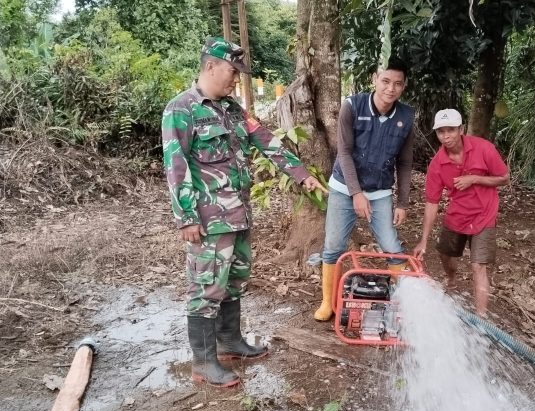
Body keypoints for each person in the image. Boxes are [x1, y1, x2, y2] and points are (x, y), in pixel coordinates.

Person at [162, 37, 326, 387]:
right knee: (206, 288)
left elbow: (266, 140)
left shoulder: (233, 109)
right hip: (207, 221)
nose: (236, 78)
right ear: (210, 66)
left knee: (234, 282)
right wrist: (186, 218)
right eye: (232, 71)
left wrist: (301, 176)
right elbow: (176, 168)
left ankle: (230, 342)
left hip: (238, 215)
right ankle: (203, 363)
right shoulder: (182, 109)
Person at [313, 58, 415, 321]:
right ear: (374, 79)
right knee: (333, 245)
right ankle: (328, 302)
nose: (390, 89)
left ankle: (402, 304)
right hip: (343, 188)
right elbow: (344, 152)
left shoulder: (406, 116)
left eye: (397, 84)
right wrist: (356, 193)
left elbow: (405, 163)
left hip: (380, 191)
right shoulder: (352, 106)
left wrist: (402, 203)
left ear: (403, 87)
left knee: (392, 247)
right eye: (385, 81)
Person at [412, 109, 509, 317]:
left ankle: (481, 317)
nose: (446, 136)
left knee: (478, 265)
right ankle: (452, 277)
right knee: (445, 253)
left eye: (451, 130)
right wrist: (424, 240)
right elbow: (432, 202)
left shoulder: (484, 149)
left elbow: (504, 177)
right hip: (458, 213)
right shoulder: (437, 164)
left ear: (461, 130)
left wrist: (474, 179)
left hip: (484, 213)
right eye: (441, 132)